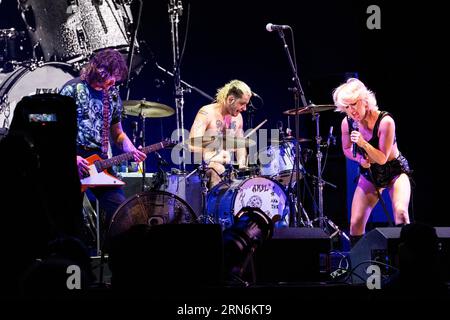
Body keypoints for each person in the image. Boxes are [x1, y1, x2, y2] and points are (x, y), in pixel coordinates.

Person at [60, 48, 146, 233]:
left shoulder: (113, 95)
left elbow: (118, 133)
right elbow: (56, 132)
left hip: (100, 160)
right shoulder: (71, 89)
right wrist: (71, 157)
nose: (110, 82)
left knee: (121, 213)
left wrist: (130, 149)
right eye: (106, 76)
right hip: (74, 159)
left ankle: (115, 256)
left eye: (113, 79)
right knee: (70, 221)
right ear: (96, 68)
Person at [332, 78, 411, 246]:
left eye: (354, 104)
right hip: (370, 173)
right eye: (346, 107)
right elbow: (346, 149)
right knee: (355, 223)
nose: (351, 111)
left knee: (401, 213)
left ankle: (406, 263)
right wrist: (360, 159)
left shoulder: (385, 121)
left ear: (365, 101)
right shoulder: (347, 123)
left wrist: (362, 144)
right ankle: (360, 267)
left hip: (394, 170)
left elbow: (382, 158)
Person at [188, 79, 252, 188]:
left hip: (229, 167)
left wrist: (242, 168)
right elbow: (192, 144)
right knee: (217, 169)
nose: (245, 108)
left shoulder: (238, 118)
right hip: (206, 167)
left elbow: (240, 147)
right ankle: (216, 205)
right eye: (242, 103)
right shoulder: (206, 112)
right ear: (231, 99)